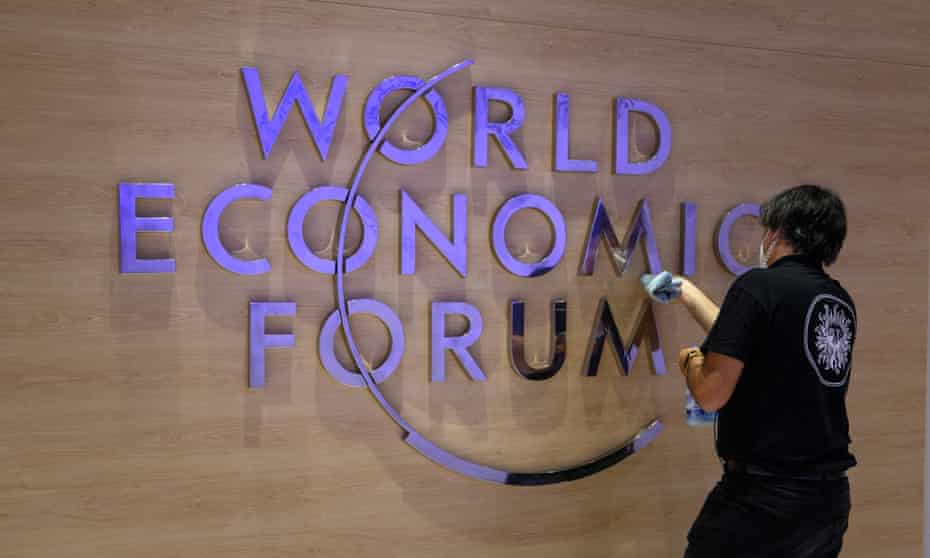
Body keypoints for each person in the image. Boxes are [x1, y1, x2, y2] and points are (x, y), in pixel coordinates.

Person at [641, 185, 857, 557]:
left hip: (763, 501)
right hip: (827, 503)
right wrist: (687, 293)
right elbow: (751, 344)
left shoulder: (759, 286)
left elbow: (711, 394)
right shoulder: (837, 300)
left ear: (776, 232)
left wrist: (691, 362)